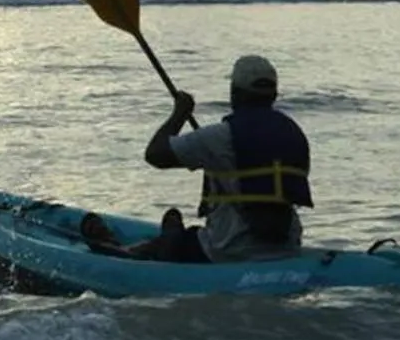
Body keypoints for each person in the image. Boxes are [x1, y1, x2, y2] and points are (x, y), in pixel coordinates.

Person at [130, 53, 312, 262]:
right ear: (274, 94)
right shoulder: (295, 135)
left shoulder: (221, 137)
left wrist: (180, 113)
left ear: (235, 93)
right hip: (286, 247)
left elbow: (155, 154)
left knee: (171, 234)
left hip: (228, 249)